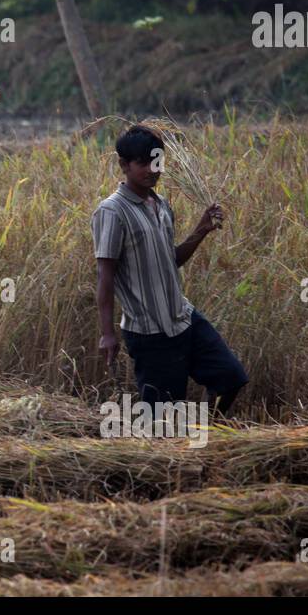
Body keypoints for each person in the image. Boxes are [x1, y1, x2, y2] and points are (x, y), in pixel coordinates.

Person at [92, 124, 248, 415]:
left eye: (157, 161)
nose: (153, 169)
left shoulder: (161, 205)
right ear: (123, 165)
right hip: (150, 332)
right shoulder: (112, 212)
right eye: (143, 163)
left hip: (183, 319)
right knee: (162, 420)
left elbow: (170, 260)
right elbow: (105, 275)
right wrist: (107, 333)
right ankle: (173, 452)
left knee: (231, 378)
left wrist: (200, 230)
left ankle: (204, 436)